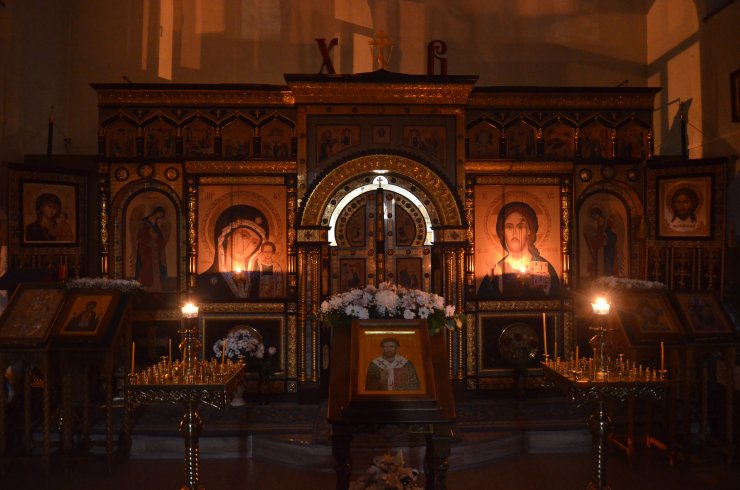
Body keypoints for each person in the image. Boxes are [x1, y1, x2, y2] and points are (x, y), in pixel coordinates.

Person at [477, 201, 561, 299]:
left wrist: (547, 289)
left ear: (529, 231)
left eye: (520, 227)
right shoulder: (496, 270)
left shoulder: (545, 269)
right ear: (503, 232)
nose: (515, 232)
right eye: (509, 227)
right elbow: (482, 302)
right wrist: (492, 282)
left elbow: (557, 301)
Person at [195, 204, 269, 300]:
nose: (246, 245)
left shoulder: (260, 282)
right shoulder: (203, 281)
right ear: (227, 235)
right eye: (244, 235)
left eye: (254, 242)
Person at [135, 206, 168, 292]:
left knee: (155, 272)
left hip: (154, 254)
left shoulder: (155, 226)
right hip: (146, 254)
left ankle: (155, 290)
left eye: (160, 217)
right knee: (146, 269)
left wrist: (156, 238)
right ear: (155, 213)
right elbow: (141, 238)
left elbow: (160, 240)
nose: (158, 218)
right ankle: (145, 288)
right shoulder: (144, 224)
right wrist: (151, 240)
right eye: (159, 215)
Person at [584, 207, 618, 279]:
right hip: (601, 244)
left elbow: (613, 233)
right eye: (593, 216)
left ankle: (608, 275)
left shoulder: (607, 222)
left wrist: (606, 236)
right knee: (599, 260)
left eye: (595, 215)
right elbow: (595, 235)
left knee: (607, 260)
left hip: (608, 245)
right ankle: (600, 275)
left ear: (599, 214)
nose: (595, 217)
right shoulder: (596, 223)